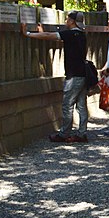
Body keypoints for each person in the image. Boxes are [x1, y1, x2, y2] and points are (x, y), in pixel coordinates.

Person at [21, 11, 89, 143]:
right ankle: (82, 133)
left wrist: (28, 34)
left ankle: (64, 134)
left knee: (67, 104)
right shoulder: (81, 35)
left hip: (73, 74)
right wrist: (42, 32)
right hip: (83, 73)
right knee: (81, 105)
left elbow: (49, 36)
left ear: (72, 21)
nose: (66, 21)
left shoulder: (70, 34)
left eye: (67, 19)